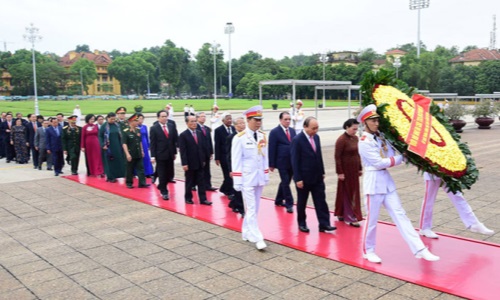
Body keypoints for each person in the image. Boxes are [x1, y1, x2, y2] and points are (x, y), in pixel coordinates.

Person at [357, 104, 439, 263]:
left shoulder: (380, 136)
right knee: (372, 220)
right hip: (373, 183)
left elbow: (389, 153)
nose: (376, 123)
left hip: (386, 182)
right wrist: (402, 158)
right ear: (365, 123)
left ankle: (420, 249)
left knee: (401, 215)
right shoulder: (364, 141)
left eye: (377, 120)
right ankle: (369, 250)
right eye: (372, 121)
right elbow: (379, 162)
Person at [231, 105, 269, 250]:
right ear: (248, 120)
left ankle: (246, 232)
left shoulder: (262, 136)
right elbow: (236, 160)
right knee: (251, 208)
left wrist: (265, 175)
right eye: (256, 119)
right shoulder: (239, 138)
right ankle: (257, 237)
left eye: (260, 120)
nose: (258, 122)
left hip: (259, 177)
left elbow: (265, 157)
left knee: (255, 208)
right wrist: (237, 180)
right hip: (246, 178)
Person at [291, 117, 335, 233]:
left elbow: (318, 156)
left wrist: (322, 171)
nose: (315, 130)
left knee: (321, 201)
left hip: (317, 177)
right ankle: (302, 223)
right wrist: (298, 178)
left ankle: (324, 224)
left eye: (317, 128)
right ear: (305, 127)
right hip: (303, 178)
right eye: (313, 128)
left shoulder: (316, 137)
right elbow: (295, 161)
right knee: (302, 202)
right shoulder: (297, 140)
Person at [419, 172, 494, 238]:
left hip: (447, 171)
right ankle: (424, 228)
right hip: (432, 172)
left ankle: (473, 223)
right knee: (429, 200)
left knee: (458, 196)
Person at [334, 118, 363, 227]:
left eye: (356, 129)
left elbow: (358, 154)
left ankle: (341, 213)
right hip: (345, 171)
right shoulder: (341, 140)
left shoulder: (356, 138)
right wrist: (340, 172)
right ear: (347, 127)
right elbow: (337, 157)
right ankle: (351, 216)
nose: (355, 131)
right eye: (353, 129)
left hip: (354, 170)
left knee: (353, 192)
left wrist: (360, 168)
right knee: (346, 192)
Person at [179, 116, 212, 205]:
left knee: (201, 181)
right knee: (189, 182)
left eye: (195, 121)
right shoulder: (183, 135)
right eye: (191, 121)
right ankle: (188, 198)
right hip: (190, 163)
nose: (194, 123)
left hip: (200, 162)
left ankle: (203, 199)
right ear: (187, 123)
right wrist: (184, 163)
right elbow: (183, 151)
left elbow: (202, 147)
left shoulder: (199, 133)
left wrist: (204, 159)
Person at [269, 112, 296, 213]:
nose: (288, 121)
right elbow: (272, 148)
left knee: (286, 181)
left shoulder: (293, 131)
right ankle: (289, 203)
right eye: (286, 119)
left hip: (292, 162)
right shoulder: (275, 132)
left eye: (289, 119)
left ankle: (279, 200)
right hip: (281, 162)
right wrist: (271, 163)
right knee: (285, 182)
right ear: (280, 120)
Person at [150, 110, 178, 200]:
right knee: (162, 174)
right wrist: (153, 156)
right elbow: (153, 143)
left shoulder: (171, 126)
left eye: (166, 116)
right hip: (160, 154)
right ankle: (164, 191)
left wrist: (175, 151)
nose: (164, 118)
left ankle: (161, 186)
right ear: (158, 118)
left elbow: (174, 140)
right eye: (162, 116)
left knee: (169, 173)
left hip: (170, 154)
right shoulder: (154, 128)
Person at [122, 113, 150, 189]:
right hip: (131, 153)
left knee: (141, 168)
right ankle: (129, 183)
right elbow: (124, 144)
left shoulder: (138, 130)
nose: (137, 122)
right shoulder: (125, 131)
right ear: (131, 122)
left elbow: (140, 141)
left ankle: (142, 183)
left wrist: (142, 151)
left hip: (138, 152)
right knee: (129, 169)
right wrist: (127, 154)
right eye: (136, 121)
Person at [226, 116, 246, 216]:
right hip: (236, 167)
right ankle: (241, 209)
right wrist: (231, 169)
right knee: (238, 188)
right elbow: (229, 155)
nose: (243, 125)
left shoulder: (247, 135)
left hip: (245, 166)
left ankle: (233, 204)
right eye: (240, 124)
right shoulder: (232, 137)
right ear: (235, 126)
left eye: (244, 123)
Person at [99, 112, 126, 183]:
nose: (113, 120)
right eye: (111, 119)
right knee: (109, 162)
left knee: (117, 161)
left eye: (114, 119)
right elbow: (100, 136)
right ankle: (110, 177)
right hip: (108, 147)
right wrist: (102, 144)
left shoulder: (117, 125)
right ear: (108, 118)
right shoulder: (104, 126)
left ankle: (118, 175)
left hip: (117, 145)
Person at [214, 112, 234, 195]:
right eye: (228, 119)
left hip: (232, 156)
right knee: (227, 174)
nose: (230, 120)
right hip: (223, 156)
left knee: (232, 174)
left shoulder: (234, 128)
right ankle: (229, 191)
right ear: (223, 120)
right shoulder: (218, 130)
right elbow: (217, 144)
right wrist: (217, 158)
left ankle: (224, 188)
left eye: (230, 119)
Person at [196, 112, 217, 191]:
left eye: (204, 116)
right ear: (197, 118)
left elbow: (209, 141)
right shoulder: (195, 128)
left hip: (207, 153)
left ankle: (207, 185)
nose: (203, 118)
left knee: (207, 170)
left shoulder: (206, 128)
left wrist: (211, 152)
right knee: (199, 170)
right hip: (199, 153)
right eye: (202, 117)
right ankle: (196, 185)